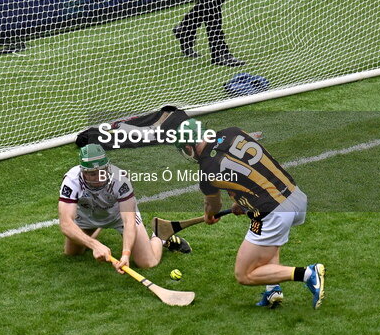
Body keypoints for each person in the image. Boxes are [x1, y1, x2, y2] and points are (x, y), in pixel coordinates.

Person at [175, 116, 324, 309]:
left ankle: (308, 274)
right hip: (295, 196)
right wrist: (244, 203)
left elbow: (214, 205)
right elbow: (251, 169)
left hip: (274, 213)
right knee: (266, 243)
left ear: (189, 147)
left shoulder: (206, 171)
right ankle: (273, 289)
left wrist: (209, 215)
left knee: (244, 274)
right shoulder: (233, 132)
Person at [58, 143, 191, 273]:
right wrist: (95, 245)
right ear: (83, 172)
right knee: (72, 253)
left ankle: (159, 236)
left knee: (147, 263)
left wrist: (125, 254)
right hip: (88, 217)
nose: (99, 178)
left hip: (119, 217)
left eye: (102, 171)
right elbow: (66, 224)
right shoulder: (71, 181)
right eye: (92, 174)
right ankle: (98, 227)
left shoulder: (120, 180)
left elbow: (129, 221)